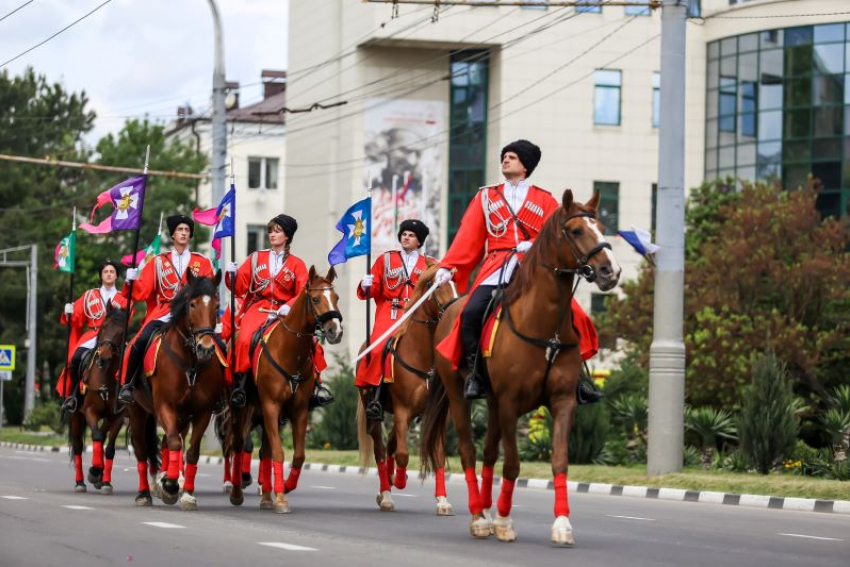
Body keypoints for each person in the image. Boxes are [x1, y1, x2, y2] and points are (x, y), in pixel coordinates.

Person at [433, 139, 604, 403]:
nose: (506, 160)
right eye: (504, 156)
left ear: (525, 165)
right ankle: (475, 374)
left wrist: (533, 244)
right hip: (496, 265)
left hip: (533, 266)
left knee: (574, 315)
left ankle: (579, 378)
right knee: (471, 311)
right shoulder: (486, 196)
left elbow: (556, 237)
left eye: (512, 157)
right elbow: (469, 236)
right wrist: (449, 267)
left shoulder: (545, 199)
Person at [226, 214, 332, 409]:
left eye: (278, 231)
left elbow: (303, 290)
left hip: (285, 311)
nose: (272, 235)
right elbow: (239, 288)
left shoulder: (297, 264)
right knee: (243, 339)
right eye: (271, 231)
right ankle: (239, 385)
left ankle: (316, 386)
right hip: (258, 308)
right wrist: (232, 275)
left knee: (313, 342)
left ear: (287, 236)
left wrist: (290, 305)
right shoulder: (256, 258)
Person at [117, 214, 216, 404]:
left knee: (216, 344)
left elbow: (209, 290)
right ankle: (128, 384)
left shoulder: (201, 262)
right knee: (141, 340)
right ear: (172, 235)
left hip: (193, 312)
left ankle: (220, 390)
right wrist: (131, 281)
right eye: (180, 230)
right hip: (165, 312)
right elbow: (143, 291)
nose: (184, 233)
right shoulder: (158, 261)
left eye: (187, 230)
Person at [356, 219, 433, 420]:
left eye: (412, 235)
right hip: (391, 312)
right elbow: (373, 290)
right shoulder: (385, 259)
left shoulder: (429, 263)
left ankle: (440, 395)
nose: (406, 237)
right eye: (404, 234)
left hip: (418, 314)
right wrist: (366, 285)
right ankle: (375, 395)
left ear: (419, 241)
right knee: (379, 347)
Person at [58, 260, 127, 413]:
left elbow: (129, 316)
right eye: (106, 272)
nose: (109, 274)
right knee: (75, 359)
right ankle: (75, 395)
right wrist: (69, 313)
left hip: (114, 337)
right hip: (93, 335)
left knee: (130, 357)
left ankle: (126, 391)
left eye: (112, 272)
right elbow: (77, 316)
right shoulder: (89, 295)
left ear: (116, 276)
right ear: (101, 276)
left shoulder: (123, 298)